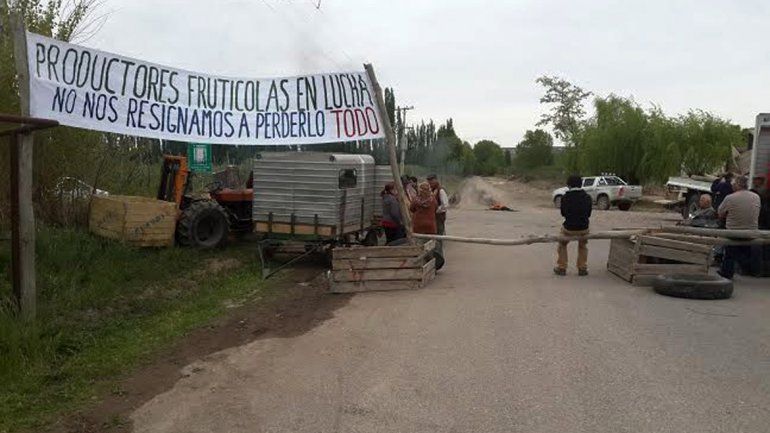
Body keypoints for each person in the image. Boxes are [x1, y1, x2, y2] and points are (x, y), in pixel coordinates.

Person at [717, 175, 761, 279]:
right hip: (751, 232)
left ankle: (727, 272)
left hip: (733, 232)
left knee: (730, 251)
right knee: (743, 249)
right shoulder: (756, 197)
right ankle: (749, 268)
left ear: (737, 185)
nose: (732, 186)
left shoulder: (730, 197)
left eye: (733, 184)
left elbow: (720, 213)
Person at [555, 174, 593, 276]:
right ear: (581, 184)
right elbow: (589, 214)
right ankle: (582, 267)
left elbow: (563, 213)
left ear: (569, 185)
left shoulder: (565, 197)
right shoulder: (587, 197)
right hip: (583, 228)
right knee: (583, 245)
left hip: (569, 228)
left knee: (562, 244)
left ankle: (562, 267)